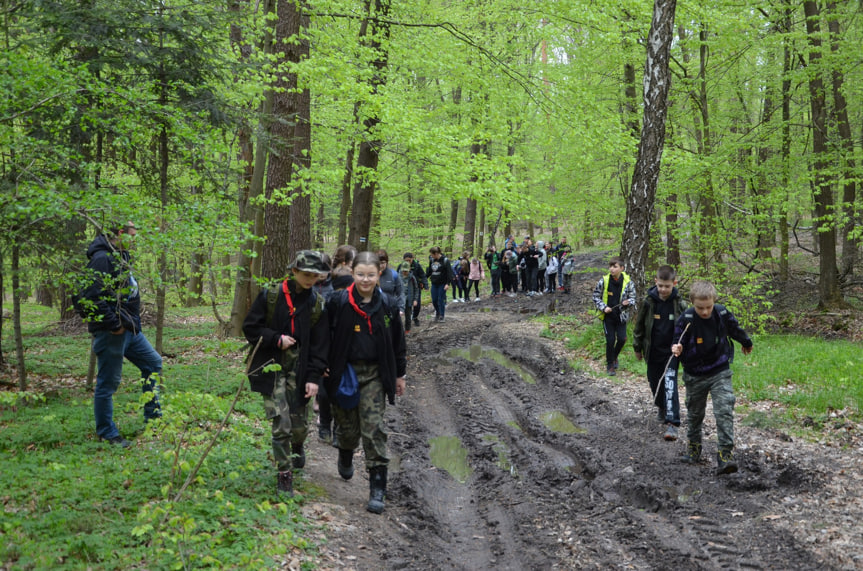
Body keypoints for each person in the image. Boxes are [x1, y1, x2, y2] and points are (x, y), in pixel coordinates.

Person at [242, 250, 330, 498]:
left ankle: (298, 445)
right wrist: (275, 339)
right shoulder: (271, 295)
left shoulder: (317, 304)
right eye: (306, 274)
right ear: (294, 271)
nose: (310, 279)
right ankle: (284, 475)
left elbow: (320, 345)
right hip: (271, 368)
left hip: (301, 372)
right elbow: (250, 327)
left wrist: (314, 378)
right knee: (281, 424)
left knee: (299, 426)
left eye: (315, 275)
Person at [325, 251, 407, 513]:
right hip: (345, 372)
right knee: (348, 429)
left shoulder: (388, 305)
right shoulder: (339, 301)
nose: (365, 279)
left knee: (373, 429)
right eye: (360, 274)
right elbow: (324, 335)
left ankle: (378, 488)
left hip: (374, 373)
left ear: (378, 274)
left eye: (370, 275)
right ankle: (345, 452)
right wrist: (323, 365)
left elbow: (398, 344)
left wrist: (399, 375)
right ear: (352, 272)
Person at [79, 222, 163, 448]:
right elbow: (87, 297)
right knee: (108, 383)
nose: (135, 239)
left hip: (130, 330)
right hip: (112, 332)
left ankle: (154, 420)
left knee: (153, 362)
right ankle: (107, 433)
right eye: (132, 235)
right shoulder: (102, 259)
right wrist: (114, 324)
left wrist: (128, 324)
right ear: (119, 233)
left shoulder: (122, 256)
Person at [672, 280, 753, 475]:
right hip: (694, 374)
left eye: (708, 307)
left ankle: (725, 455)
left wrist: (746, 341)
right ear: (692, 302)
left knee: (724, 409)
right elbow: (676, 341)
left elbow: (734, 328)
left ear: (714, 301)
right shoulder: (686, 319)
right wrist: (677, 348)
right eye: (701, 308)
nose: (705, 312)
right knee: (695, 414)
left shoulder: (721, 313)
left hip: (720, 370)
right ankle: (693, 449)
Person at [633, 265, 688, 441]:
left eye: (667, 286)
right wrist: (637, 347)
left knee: (670, 384)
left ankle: (673, 424)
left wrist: (683, 347)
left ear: (674, 283)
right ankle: (661, 406)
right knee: (654, 381)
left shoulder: (679, 304)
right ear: (656, 282)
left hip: (672, 353)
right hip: (652, 351)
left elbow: (687, 328)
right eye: (661, 286)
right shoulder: (648, 302)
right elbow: (639, 326)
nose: (663, 290)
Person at [317, 245, 356, 445]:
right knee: (324, 390)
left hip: (347, 349)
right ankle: (324, 423)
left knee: (342, 390)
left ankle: (339, 428)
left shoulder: (355, 299)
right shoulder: (328, 295)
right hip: (326, 347)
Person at [592, 256, 637, 375]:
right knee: (610, 340)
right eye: (610, 266)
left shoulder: (628, 282)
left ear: (622, 268)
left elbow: (633, 298)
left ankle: (614, 357)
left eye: (615, 267)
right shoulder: (604, 281)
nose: (612, 269)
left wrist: (628, 302)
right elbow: (595, 296)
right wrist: (603, 307)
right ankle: (610, 365)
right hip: (608, 317)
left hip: (621, 316)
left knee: (622, 339)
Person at [426, 246, 454, 322]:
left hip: (442, 283)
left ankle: (442, 315)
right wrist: (424, 278)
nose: (431, 256)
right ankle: (438, 312)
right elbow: (429, 271)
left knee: (440, 299)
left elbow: (449, 273)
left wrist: (448, 284)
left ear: (436, 253)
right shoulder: (432, 260)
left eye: (432, 254)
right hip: (434, 283)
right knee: (434, 300)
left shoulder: (445, 260)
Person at [376, 250, 405, 317]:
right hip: (374, 310)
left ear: (387, 262)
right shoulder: (370, 275)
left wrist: (401, 308)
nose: (380, 266)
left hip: (390, 309)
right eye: (378, 263)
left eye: (383, 263)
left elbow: (400, 292)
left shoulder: (393, 274)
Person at [403, 252, 428, 326]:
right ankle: (408, 318)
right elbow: (397, 276)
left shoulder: (417, 266)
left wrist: (426, 285)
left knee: (417, 305)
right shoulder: (401, 266)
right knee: (407, 305)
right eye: (406, 260)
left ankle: (415, 317)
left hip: (416, 288)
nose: (408, 262)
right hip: (406, 289)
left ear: (412, 259)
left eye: (409, 260)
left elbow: (423, 275)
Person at [398, 261, 419, 333]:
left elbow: (416, 289)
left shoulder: (412, 278)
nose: (404, 272)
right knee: (398, 315)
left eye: (406, 271)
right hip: (399, 299)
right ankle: (398, 330)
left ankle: (407, 329)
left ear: (409, 269)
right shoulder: (397, 277)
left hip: (409, 299)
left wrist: (415, 299)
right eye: (403, 270)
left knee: (408, 315)